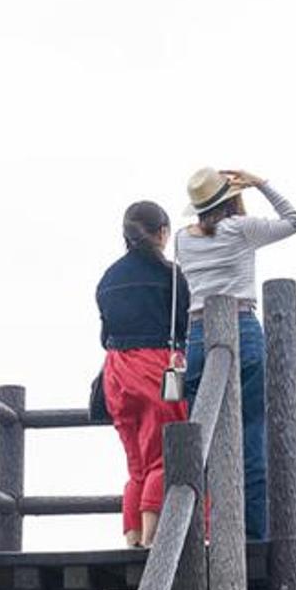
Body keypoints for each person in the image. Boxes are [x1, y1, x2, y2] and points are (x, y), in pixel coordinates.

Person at [176, 167, 296, 541]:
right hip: (242, 327)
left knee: (200, 437)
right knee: (251, 432)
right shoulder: (240, 230)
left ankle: (194, 531)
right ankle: (252, 536)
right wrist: (262, 183)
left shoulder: (182, 239)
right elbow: (294, 221)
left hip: (197, 336)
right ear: (229, 198)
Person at [96, 201, 190, 547]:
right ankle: (153, 542)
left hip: (116, 371)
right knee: (164, 451)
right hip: (157, 366)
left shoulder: (108, 279)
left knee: (136, 461)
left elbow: (103, 335)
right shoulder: (171, 276)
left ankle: (132, 536)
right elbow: (183, 326)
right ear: (162, 233)